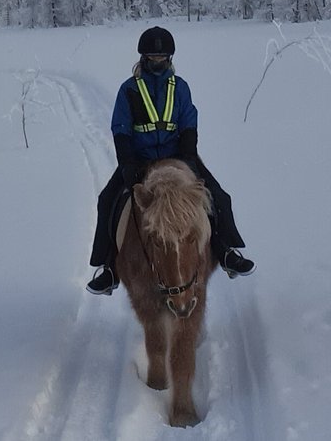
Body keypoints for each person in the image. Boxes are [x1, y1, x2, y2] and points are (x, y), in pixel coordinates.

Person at [86, 26, 254, 295]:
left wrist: (188, 156)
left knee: (219, 196)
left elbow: (189, 120)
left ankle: (226, 251)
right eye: (152, 58)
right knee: (107, 200)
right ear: (143, 58)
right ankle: (108, 268)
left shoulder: (180, 87)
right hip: (139, 159)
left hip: (178, 155)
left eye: (162, 58)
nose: (157, 63)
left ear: (170, 59)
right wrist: (127, 163)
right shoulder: (128, 90)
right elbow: (121, 128)